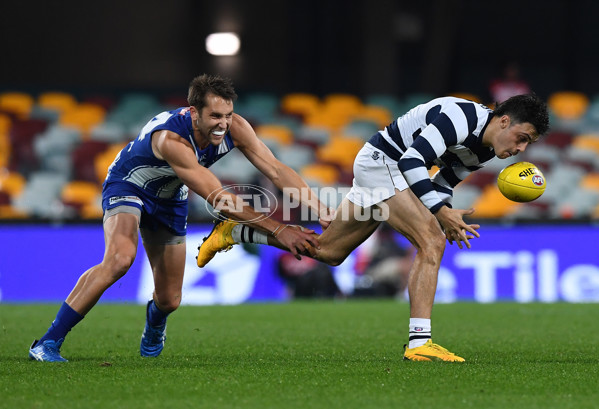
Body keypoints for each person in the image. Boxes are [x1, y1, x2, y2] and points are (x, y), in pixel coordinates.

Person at [197, 93, 550, 362]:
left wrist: (443, 209)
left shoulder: (485, 150)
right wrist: (439, 214)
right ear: (504, 121)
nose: (520, 148)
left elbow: (443, 181)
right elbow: (412, 160)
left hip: (387, 171)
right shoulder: (460, 117)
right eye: (522, 137)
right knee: (432, 242)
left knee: (329, 252)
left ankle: (234, 232)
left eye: (528, 145)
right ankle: (420, 343)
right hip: (383, 164)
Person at [29, 74, 333, 362]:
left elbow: (277, 170)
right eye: (215, 116)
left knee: (170, 299)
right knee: (121, 258)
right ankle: (48, 342)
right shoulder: (171, 140)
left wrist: (319, 209)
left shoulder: (236, 127)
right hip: (129, 185)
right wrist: (280, 230)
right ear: (194, 113)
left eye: (227, 115)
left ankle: (154, 324)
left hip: (171, 196)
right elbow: (220, 200)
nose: (223, 124)